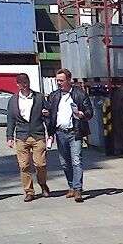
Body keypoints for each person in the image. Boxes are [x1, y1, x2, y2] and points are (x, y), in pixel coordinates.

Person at [45, 68, 93, 202]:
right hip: (60, 133)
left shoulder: (79, 94)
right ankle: (71, 186)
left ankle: (78, 189)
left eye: (61, 80)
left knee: (76, 161)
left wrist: (83, 114)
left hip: (75, 132)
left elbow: (90, 111)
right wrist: (49, 128)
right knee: (65, 163)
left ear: (68, 80)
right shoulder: (54, 96)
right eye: (57, 80)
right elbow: (51, 115)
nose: (59, 83)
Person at [6, 73, 50, 202]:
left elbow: (48, 113)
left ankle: (43, 184)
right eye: (22, 83)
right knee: (24, 165)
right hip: (21, 136)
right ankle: (29, 191)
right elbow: (11, 120)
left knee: (40, 164)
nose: (25, 85)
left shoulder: (39, 97)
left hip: (37, 135)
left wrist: (49, 130)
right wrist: (9, 137)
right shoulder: (13, 100)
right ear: (17, 84)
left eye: (27, 82)